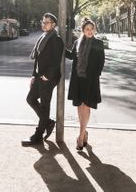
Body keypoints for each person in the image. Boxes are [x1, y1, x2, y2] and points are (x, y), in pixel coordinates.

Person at [22, 12, 64, 147]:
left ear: (53, 25)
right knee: (30, 99)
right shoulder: (43, 37)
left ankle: (38, 135)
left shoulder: (56, 39)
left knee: (45, 106)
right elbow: (38, 59)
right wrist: (34, 75)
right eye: (43, 22)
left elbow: (56, 61)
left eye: (46, 22)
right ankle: (48, 122)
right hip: (39, 76)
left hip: (48, 78)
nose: (43, 24)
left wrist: (47, 75)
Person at [66, 18, 105, 151]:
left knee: (86, 106)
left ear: (94, 30)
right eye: (87, 29)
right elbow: (71, 56)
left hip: (90, 80)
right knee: (79, 106)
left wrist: (94, 76)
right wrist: (59, 44)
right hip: (78, 79)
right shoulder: (77, 42)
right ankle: (84, 132)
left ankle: (81, 136)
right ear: (83, 30)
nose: (90, 31)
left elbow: (101, 64)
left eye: (92, 29)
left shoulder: (99, 43)